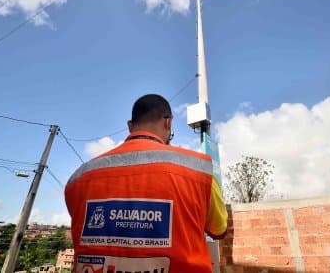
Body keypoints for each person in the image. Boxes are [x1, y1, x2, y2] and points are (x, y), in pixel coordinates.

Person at [65, 94, 228, 273]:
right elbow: (219, 230)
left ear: (130, 126)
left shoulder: (78, 179)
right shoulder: (199, 171)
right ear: (168, 123)